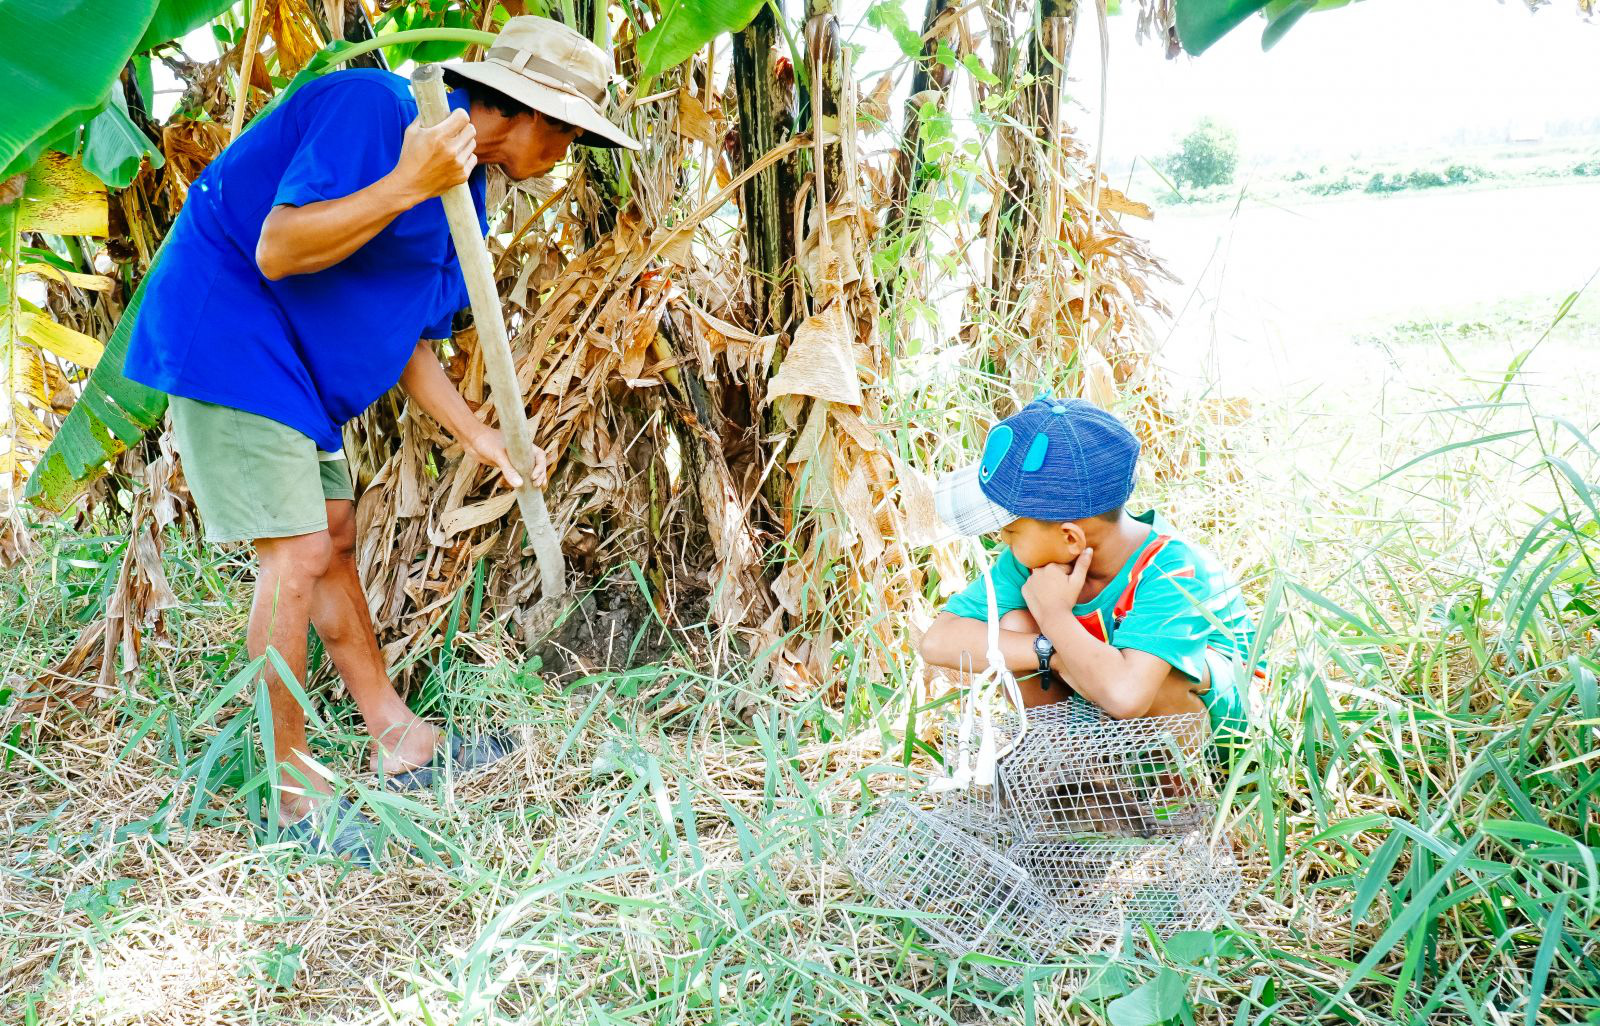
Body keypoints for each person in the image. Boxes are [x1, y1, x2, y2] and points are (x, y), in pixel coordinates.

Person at [121, 16, 640, 864]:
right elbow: (279, 248)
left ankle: (398, 738)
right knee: (294, 553)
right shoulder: (374, 109)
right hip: (230, 333)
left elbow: (409, 341)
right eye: (572, 130)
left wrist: (482, 438)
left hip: (297, 368)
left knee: (333, 535)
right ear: (527, 112)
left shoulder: (463, 192)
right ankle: (289, 796)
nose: (572, 150)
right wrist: (407, 181)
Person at [920, 397, 1258, 756]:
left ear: (1070, 538)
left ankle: (1175, 797)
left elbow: (1127, 696)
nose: (1000, 538)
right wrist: (1054, 652)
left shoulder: (1173, 569)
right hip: (1104, 705)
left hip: (1208, 732)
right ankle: (1075, 771)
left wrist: (1055, 618)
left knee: (1161, 673)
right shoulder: (1034, 559)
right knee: (1015, 624)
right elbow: (937, 642)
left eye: (1010, 530)